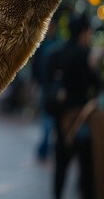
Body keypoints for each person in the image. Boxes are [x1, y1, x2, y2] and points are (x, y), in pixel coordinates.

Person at [50, 14, 100, 199]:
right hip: (82, 120)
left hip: (61, 120)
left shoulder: (56, 54)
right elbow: (97, 86)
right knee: (86, 171)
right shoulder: (86, 54)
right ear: (83, 32)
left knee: (60, 168)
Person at [32, 18, 63, 161]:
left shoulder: (58, 43)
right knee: (46, 119)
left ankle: (44, 149)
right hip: (44, 87)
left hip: (54, 87)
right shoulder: (41, 43)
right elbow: (35, 65)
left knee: (49, 120)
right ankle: (44, 149)